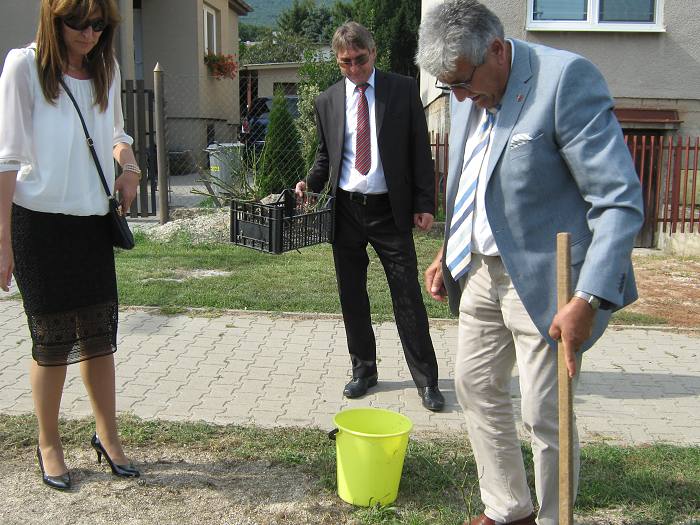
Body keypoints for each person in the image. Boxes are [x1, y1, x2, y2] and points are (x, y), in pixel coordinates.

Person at [416, 1, 643, 524]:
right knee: (474, 385)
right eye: (449, 86)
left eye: (462, 82)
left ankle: (553, 518)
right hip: (479, 270)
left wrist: (588, 297)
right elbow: (476, 177)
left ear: (496, 50)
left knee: (545, 411)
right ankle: (508, 508)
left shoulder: (564, 81)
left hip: (549, 279)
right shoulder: (469, 90)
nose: (458, 96)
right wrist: (449, 249)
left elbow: (618, 200)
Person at [0, 0, 142, 490]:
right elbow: (6, 159)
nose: (89, 33)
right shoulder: (23, 67)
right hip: (37, 225)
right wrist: (2, 241)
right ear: (53, 19)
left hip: (91, 223)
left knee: (100, 337)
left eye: (98, 24)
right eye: (77, 23)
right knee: (53, 342)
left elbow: (116, 134)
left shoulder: (106, 69)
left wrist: (129, 167)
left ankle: (108, 436)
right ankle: (49, 444)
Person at [295, 21, 445, 411]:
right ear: (337, 60)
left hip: (389, 211)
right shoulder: (327, 100)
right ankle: (363, 371)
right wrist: (309, 183)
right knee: (352, 294)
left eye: (360, 59)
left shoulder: (402, 90)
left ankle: (427, 380)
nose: (354, 68)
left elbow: (420, 150)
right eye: (345, 62)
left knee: (407, 295)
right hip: (346, 210)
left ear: (373, 53)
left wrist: (424, 204)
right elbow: (325, 156)